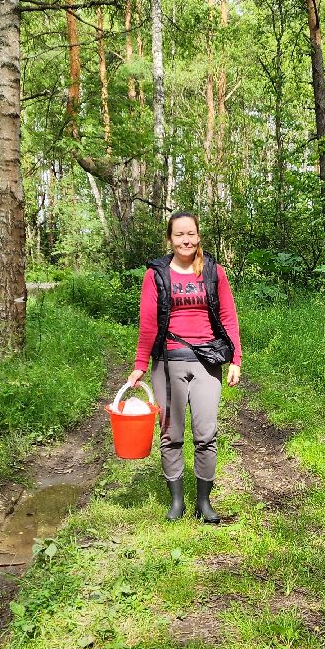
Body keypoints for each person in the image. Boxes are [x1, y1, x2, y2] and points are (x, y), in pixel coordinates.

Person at [127, 211, 242, 523]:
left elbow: (229, 316)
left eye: (191, 233)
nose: (186, 240)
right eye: (179, 234)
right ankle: (176, 502)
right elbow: (148, 323)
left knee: (206, 433)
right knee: (171, 434)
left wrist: (236, 359)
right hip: (168, 362)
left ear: (199, 236)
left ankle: (203, 503)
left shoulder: (213, 271)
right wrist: (140, 365)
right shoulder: (156, 274)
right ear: (170, 239)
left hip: (207, 362)